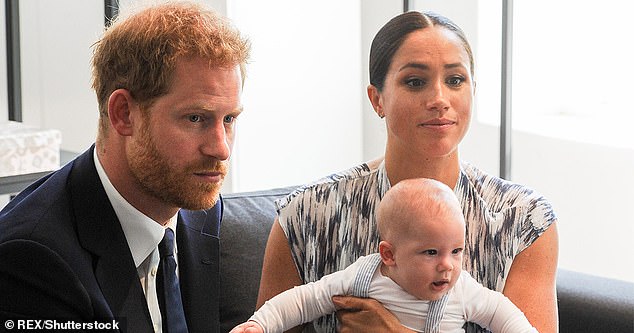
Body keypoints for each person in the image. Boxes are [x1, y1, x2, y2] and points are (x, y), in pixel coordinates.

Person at [257, 11, 558, 333]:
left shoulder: (523, 220)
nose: (440, 99)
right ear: (377, 99)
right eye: (415, 82)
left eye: (455, 80)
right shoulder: (306, 214)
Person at [0, 1, 249, 332]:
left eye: (229, 119)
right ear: (123, 114)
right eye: (195, 118)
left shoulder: (198, 207)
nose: (221, 148)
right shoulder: (32, 261)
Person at [231, 178, 538, 333]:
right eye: (431, 252)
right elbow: (306, 299)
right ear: (389, 255)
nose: (448, 265)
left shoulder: (461, 291)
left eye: (456, 251)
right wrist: (260, 324)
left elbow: (501, 313)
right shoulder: (365, 276)